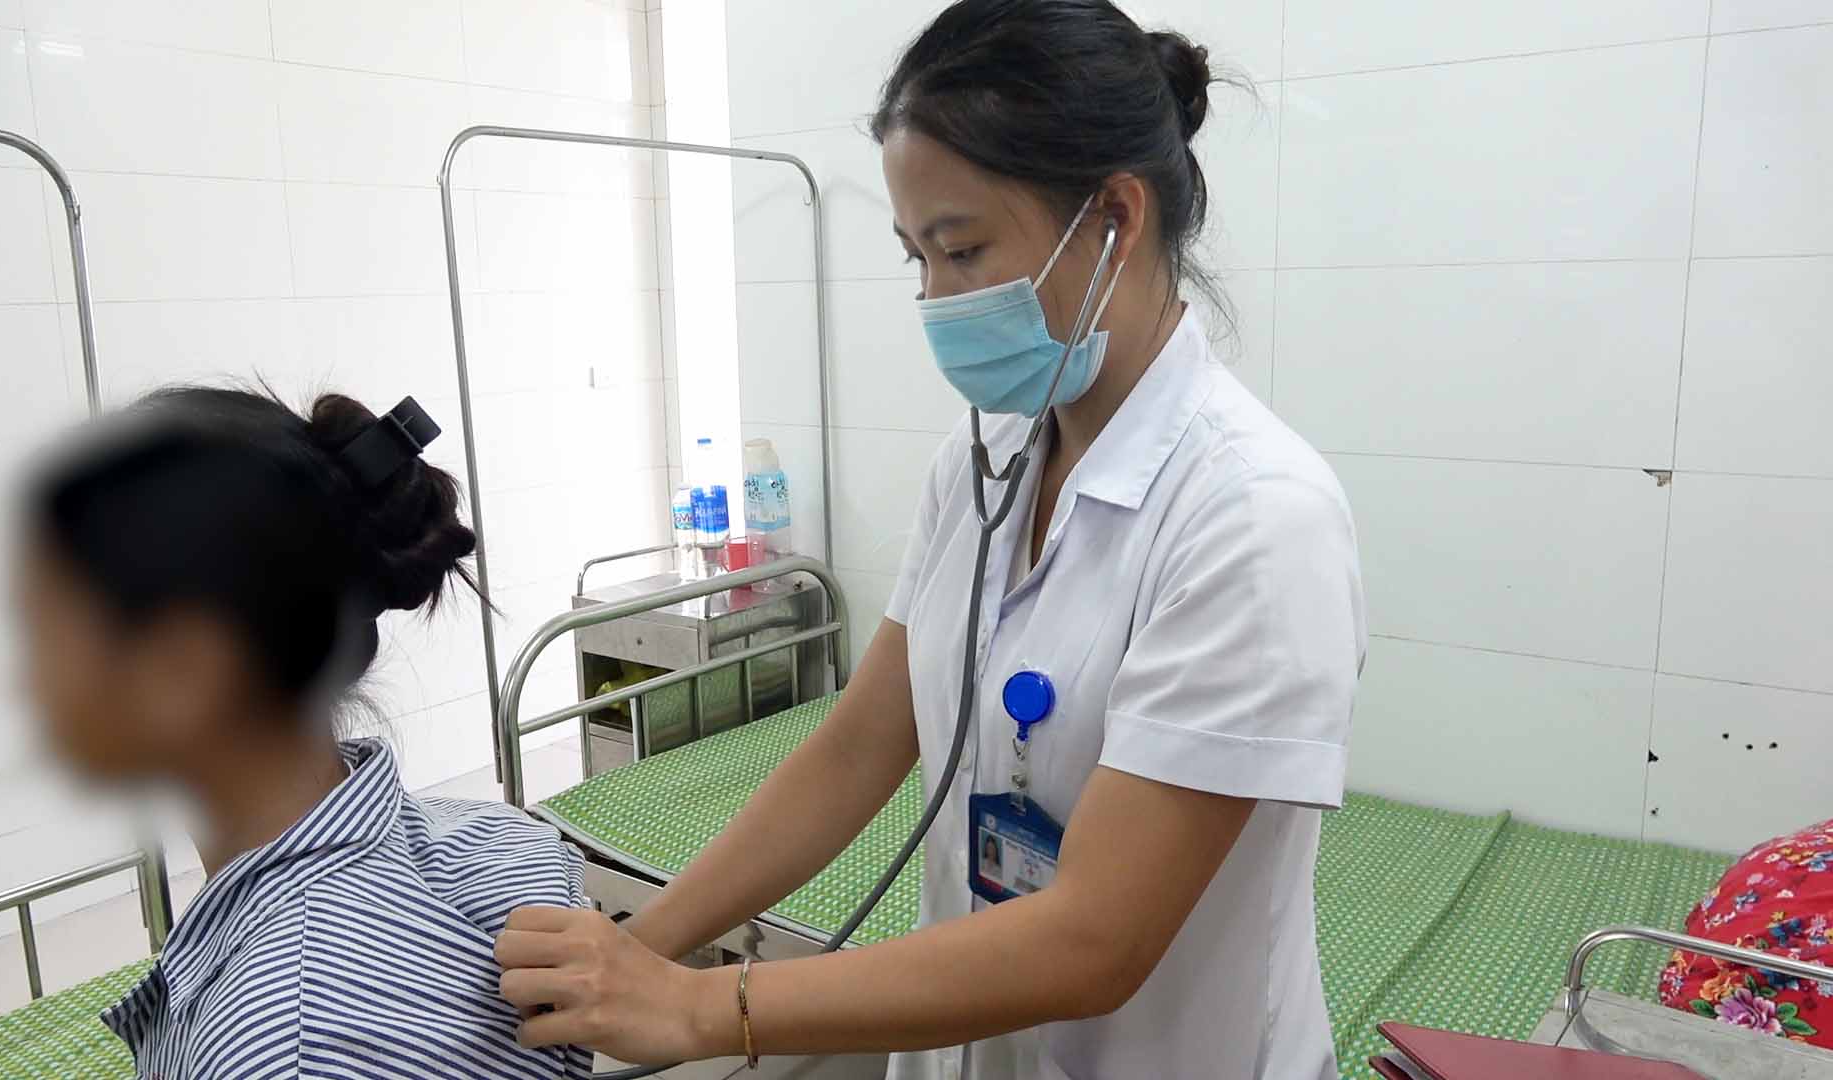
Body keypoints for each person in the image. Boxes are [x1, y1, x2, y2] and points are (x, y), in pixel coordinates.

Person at [493, 1, 1365, 1076]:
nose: (938, 301)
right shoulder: (986, 460)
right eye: (916, 258)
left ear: (1116, 219)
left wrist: (705, 1010)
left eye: (962, 249)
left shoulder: (1257, 518)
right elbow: (862, 744)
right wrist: (642, 949)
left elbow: (1098, 940)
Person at [15, 387, 591, 1079]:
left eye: (49, 622)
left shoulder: (284, 1046)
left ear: (185, 668)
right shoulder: (506, 841)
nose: (23, 672)